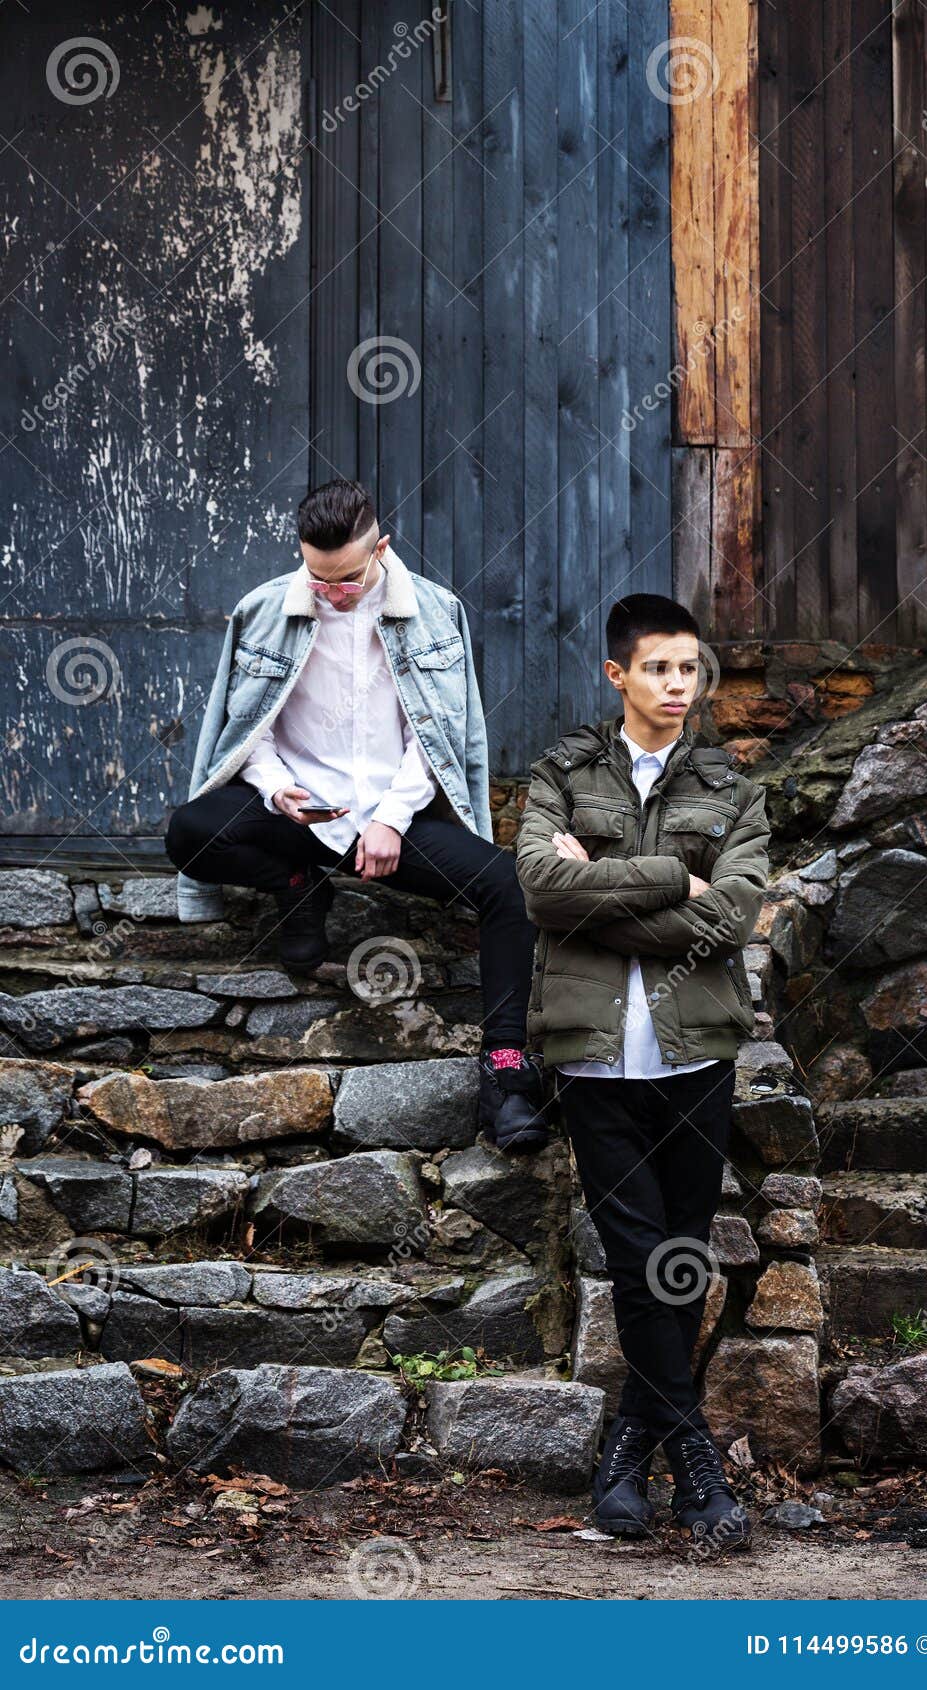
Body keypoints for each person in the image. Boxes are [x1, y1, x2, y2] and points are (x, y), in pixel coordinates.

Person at [165, 477, 547, 1152]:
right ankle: (296, 885)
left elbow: (440, 737)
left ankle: (506, 1070)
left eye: (345, 580)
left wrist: (391, 820)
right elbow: (249, 727)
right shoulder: (264, 608)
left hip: (391, 822)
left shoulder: (433, 610)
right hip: (301, 816)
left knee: (507, 886)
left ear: (382, 549)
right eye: (318, 577)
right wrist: (278, 789)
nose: (331, 592)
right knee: (191, 830)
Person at [515, 594, 770, 1545]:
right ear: (618, 675)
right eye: (659, 668)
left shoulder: (731, 790)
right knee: (635, 1257)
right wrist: (670, 878)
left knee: (676, 1258)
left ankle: (630, 1451)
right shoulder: (562, 773)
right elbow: (539, 887)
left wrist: (597, 896)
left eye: (690, 669)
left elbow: (729, 919)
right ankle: (698, 1467)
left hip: (691, 1051)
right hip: (591, 1057)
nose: (678, 685)